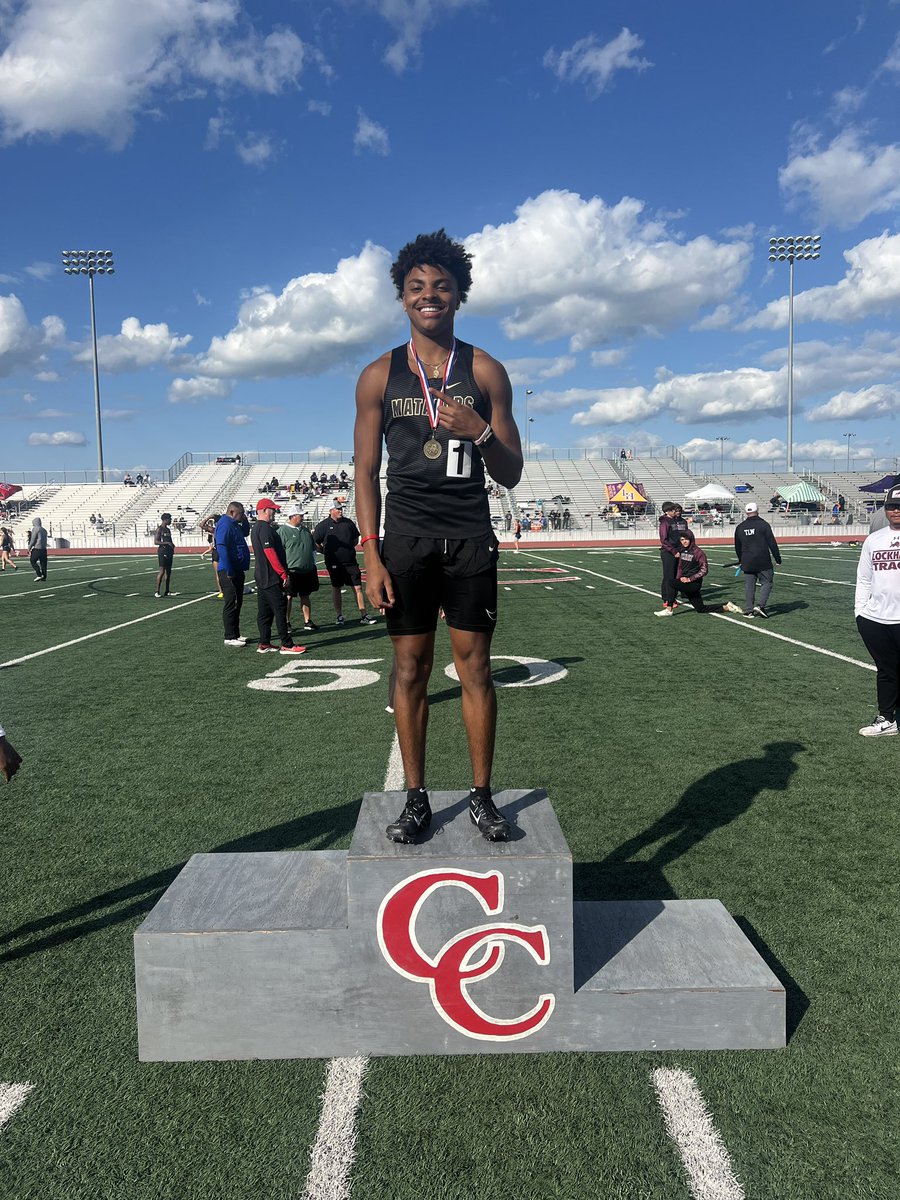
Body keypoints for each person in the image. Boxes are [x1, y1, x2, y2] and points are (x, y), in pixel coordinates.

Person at [353, 228, 523, 844]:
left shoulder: (484, 369)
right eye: (417, 288)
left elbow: (510, 472)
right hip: (404, 540)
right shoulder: (378, 375)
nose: (430, 297)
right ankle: (417, 797)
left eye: (442, 287)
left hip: (469, 535)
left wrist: (480, 430)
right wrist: (370, 552)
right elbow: (365, 472)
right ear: (402, 297)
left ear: (459, 296)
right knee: (409, 668)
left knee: (475, 666)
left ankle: (481, 796)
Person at [855, 484, 900, 736]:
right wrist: (859, 612)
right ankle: (887, 719)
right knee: (886, 671)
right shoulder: (874, 539)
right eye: (892, 507)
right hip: (876, 619)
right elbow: (864, 578)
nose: (896, 511)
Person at [250, 498, 305, 655]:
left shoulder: (256, 528)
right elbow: (270, 552)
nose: (274, 512)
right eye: (272, 509)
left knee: (264, 612)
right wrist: (282, 573)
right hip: (271, 577)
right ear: (266, 510)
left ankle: (264, 642)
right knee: (280, 609)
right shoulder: (266, 529)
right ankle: (286, 644)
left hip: (261, 576)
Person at [313, 504, 376, 626]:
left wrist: (347, 550)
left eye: (341, 509)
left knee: (357, 587)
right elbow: (315, 541)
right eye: (338, 509)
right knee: (336, 587)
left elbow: (355, 539)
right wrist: (325, 551)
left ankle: (363, 614)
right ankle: (339, 615)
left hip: (350, 561)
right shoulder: (323, 525)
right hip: (333, 563)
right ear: (331, 510)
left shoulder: (348, 523)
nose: (341, 511)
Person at [655, 530, 744, 616]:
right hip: (686, 582)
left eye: (686, 539)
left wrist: (690, 579)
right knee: (701, 609)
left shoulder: (698, 552)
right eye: (682, 540)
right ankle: (728, 607)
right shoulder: (682, 551)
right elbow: (680, 567)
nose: (684, 541)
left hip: (694, 584)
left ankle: (669, 609)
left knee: (670, 583)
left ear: (691, 539)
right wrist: (679, 578)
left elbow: (704, 570)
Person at [734, 501, 782, 618]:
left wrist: (741, 560)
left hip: (747, 560)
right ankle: (760, 606)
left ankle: (749, 610)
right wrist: (778, 558)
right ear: (757, 511)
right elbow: (772, 543)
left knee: (749, 586)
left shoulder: (740, 527)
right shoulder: (763, 525)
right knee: (767, 582)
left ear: (746, 512)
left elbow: (737, 546)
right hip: (762, 560)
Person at [215, 502, 252, 647]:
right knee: (232, 602)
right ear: (232, 512)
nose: (243, 516)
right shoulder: (225, 524)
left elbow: (246, 532)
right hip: (229, 570)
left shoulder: (234, 524)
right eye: (241, 513)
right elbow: (222, 547)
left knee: (238, 602)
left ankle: (235, 633)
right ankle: (229, 636)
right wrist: (229, 570)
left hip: (236, 569)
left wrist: (244, 519)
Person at [279, 506, 320, 632]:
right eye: (300, 515)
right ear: (293, 516)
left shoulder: (306, 531)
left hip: (307, 570)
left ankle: (307, 620)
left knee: (305, 595)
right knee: (288, 597)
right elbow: (278, 552)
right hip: (291, 571)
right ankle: (286, 622)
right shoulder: (282, 532)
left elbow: (313, 548)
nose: (302, 518)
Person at [656, 502, 689, 615]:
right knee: (669, 576)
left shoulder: (675, 520)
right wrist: (674, 551)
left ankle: (672, 598)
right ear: (667, 511)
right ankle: (667, 599)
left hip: (678, 551)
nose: (676, 512)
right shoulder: (664, 522)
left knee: (676, 576)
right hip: (669, 552)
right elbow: (664, 540)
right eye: (673, 510)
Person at [153, 513, 176, 597]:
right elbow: (156, 541)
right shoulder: (160, 529)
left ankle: (167, 591)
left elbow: (170, 540)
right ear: (165, 519)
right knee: (162, 571)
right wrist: (167, 543)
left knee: (168, 572)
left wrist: (172, 546)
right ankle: (157, 591)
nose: (171, 520)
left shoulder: (168, 529)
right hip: (162, 552)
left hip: (169, 552)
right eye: (170, 519)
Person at [27, 517, 47, 581]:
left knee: (33, 561)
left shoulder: (35, 529)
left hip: (37, 548)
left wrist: (29, 548)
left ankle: (39, 574)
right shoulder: (44, 530)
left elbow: (33, 540)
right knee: (43, 563)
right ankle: (44, 576)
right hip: (44, 549)